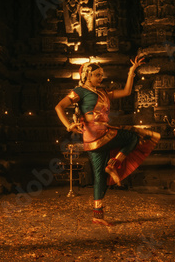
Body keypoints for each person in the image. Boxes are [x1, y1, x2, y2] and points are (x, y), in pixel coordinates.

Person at [55, 57, 161, 226]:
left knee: (99, 177)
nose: (101, 78)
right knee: (134, 137)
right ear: (87, 75)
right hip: (96, 133)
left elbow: (126, 92)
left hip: (95, 137)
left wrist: (131, 73)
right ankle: (113, 163)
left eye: (102, 75)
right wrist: (69, 125)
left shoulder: (103, 92)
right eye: (97, 75)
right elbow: (59, 107)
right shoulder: (79, 91)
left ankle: (98, 215)